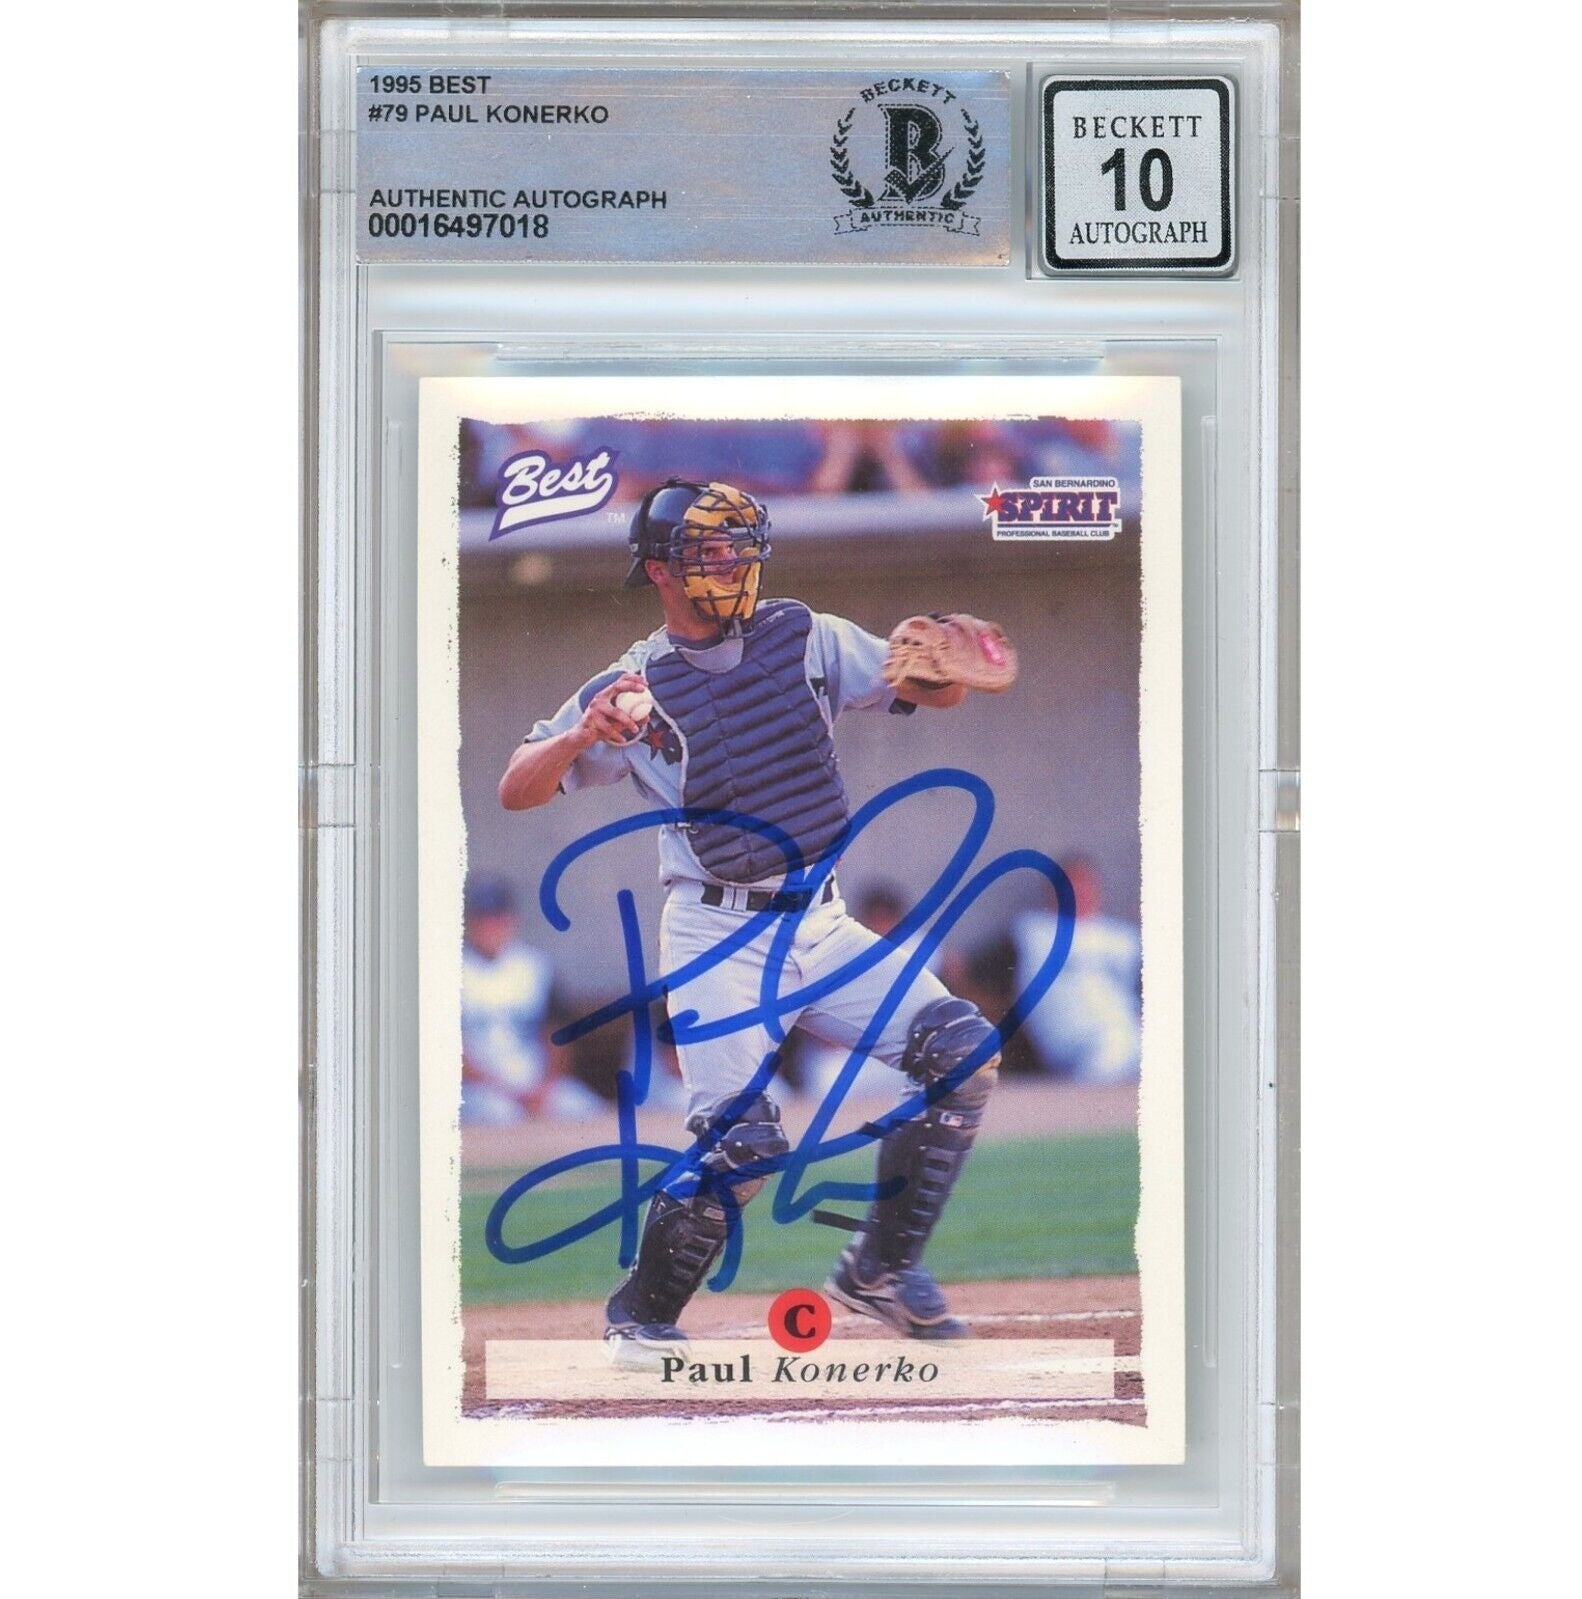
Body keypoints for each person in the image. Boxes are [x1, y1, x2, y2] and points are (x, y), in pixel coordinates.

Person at [498, 477, 1009, 1363]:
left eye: (740, 545)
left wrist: (943, 671)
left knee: (962, 1051)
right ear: (661, 570)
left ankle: (880, 1270)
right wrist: (580, 736)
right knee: (741, 1143)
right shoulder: (634, 686)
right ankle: (639, 1318)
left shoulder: (803, 635)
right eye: (710, 550)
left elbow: (925, 692)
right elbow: (516, 787)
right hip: (717, 936)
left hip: (821, 920)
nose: (733, 563)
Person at [460, 874, 603, 1124]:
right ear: (469, 923)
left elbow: (558, 1038)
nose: (490, 926)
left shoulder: (536, 967)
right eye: (483, 918)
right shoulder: (449, 974)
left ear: (511, 919)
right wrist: (506, 1091)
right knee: (499, 1114)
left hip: (536, 1085)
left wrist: (545, 1086)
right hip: (482, 1089)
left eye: (497, 917)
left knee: (584, 1107)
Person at [1012, 855, 1141, 1083]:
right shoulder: (1031, 932)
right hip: (1070, 1037)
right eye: (1070, 884)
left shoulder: (1123, 938)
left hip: (1127, 1033)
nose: (1078, 891)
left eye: (1084, 883)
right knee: (1113, 1045)